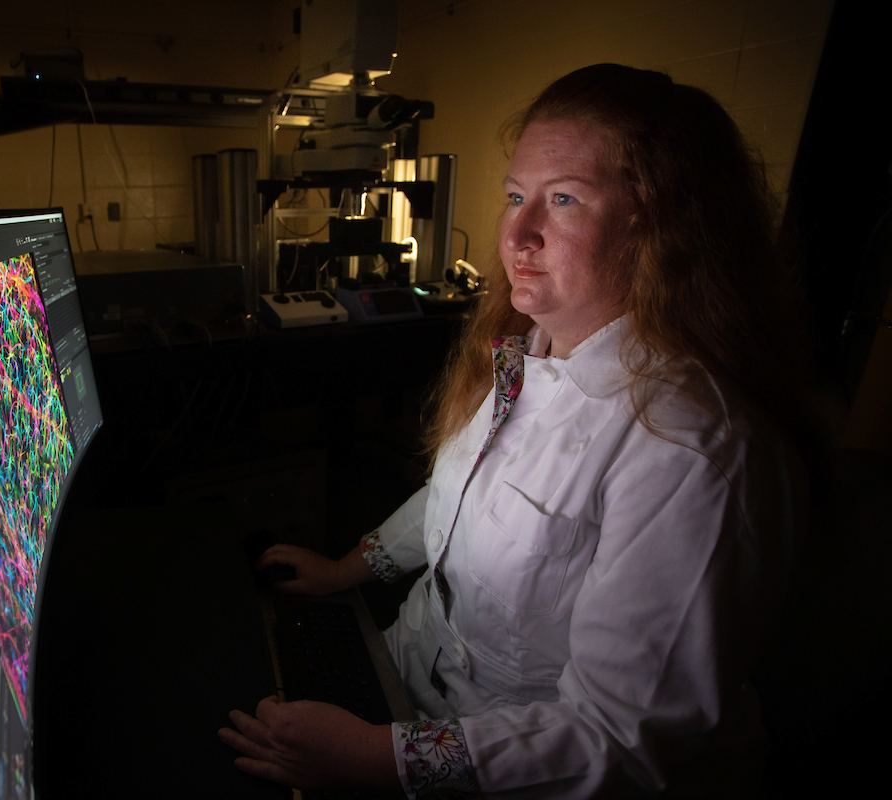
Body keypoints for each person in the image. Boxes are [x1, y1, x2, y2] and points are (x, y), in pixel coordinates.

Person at [219, 64, 804, 797]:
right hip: (407, 675)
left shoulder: (690, 451)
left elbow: (623, 739)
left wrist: (380, 759)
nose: (519, 232)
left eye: (563, 200)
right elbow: (457, 498)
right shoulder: (526, 353)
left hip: (519, 765)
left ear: (662, 229)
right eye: (516, 196)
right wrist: (347, 568)